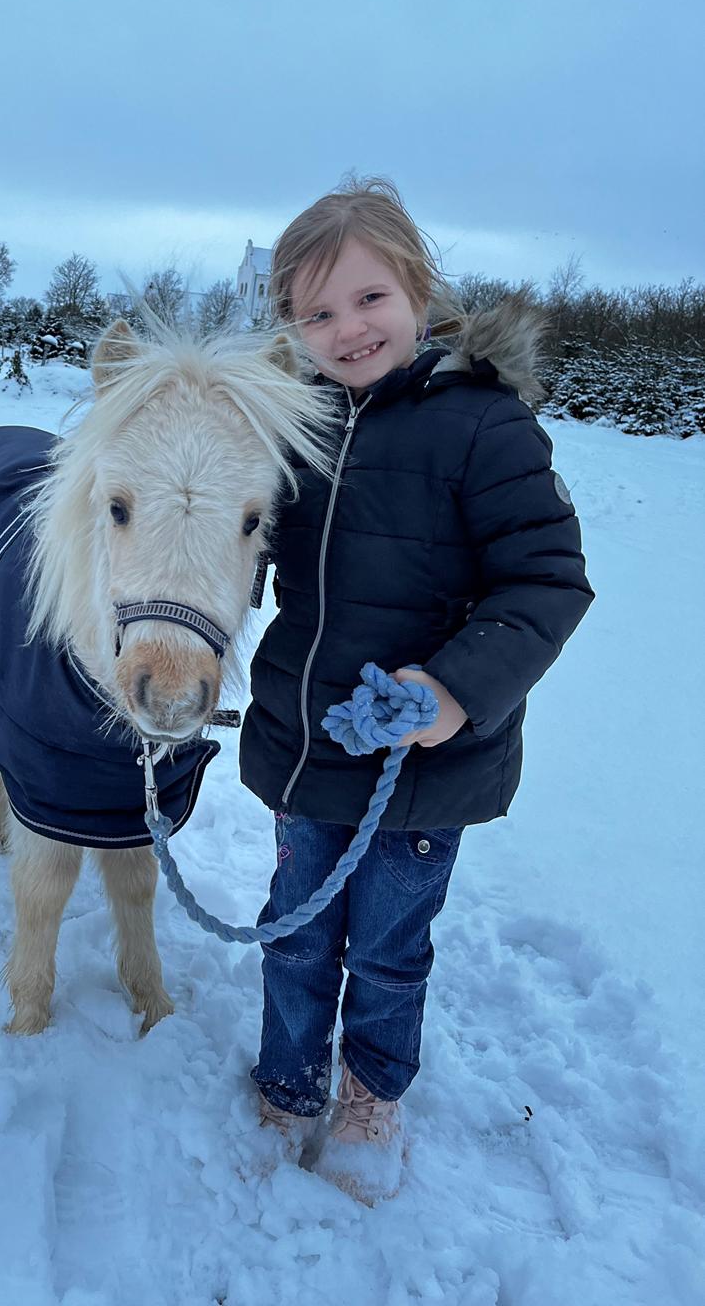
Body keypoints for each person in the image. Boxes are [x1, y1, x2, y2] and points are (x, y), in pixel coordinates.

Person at [240, 176, 593, 1204]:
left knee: (389, 949)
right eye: (317, 312)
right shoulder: (294, 430)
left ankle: (371, 1091)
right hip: (309, 751)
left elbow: (548, 580)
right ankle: (289, 1080)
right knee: (296, 934)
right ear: (293, 330)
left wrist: (451, 692)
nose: (347, 329)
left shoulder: (485, 427)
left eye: (368, 299)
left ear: (418, 289)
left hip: (422, 769)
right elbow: (238, 547)